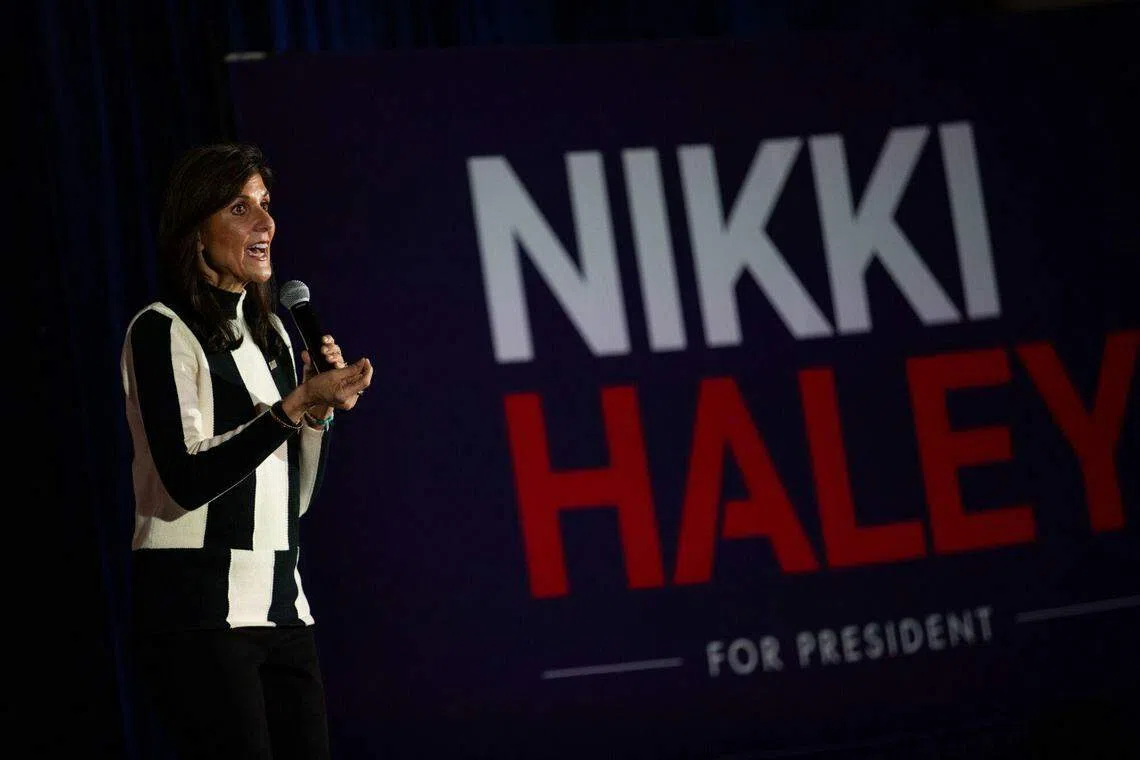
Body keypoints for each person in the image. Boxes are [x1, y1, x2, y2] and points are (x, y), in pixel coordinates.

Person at [120, 143, 372, 759]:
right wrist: (292, 406)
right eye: (240, 208)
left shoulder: (276, 335)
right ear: (195, 229)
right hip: (201, 611)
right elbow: (185, 478)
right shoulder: (161, 329)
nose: (266, 223)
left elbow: (294, 501)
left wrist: (316, 412)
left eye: (265, 204)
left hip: (282, 607)